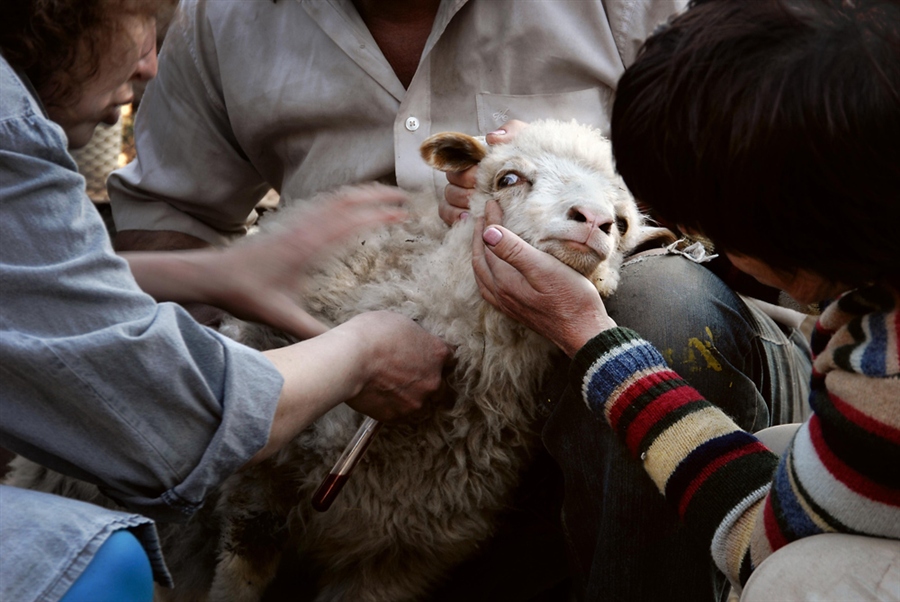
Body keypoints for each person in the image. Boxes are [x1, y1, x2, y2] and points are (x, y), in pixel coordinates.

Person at [104, 1, 815, 600]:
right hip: (348, 371)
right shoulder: (222, 17)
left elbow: (757, 167)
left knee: (662, 309)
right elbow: (174, 215)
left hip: (603, 338)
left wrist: (610, 210)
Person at [0, 2, 451, 600]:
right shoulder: (12, 134)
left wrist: (216, 273)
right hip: (314, 400)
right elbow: (165, 416)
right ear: (57, 15)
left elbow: (21, 282)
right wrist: (363, 350)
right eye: (140, 20)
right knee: (96, 562)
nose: (151, 63)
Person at [470, 0, 899, 598]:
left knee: (798, 580)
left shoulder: (887, 370)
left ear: (798, 232)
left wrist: (594, 339)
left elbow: (761, 539)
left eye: (716, 230)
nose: (714, 243)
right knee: (777, 452)